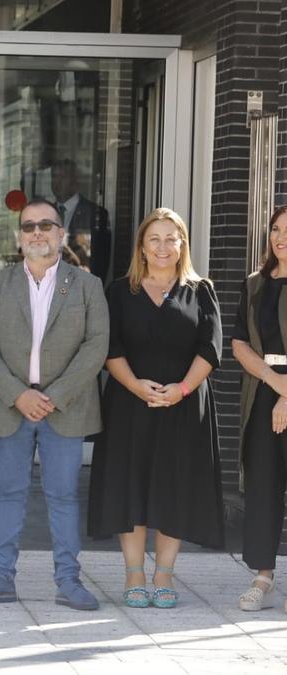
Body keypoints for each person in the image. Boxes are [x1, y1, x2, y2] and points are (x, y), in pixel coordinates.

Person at [0, 198, 108, 611]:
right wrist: (18, 394)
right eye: (28, 227)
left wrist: (54, 397)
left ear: (61, 233)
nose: (37, 233)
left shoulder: (87, 286)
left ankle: (68, 581)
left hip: (66, 406)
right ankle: (1, 577)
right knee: (10, 493)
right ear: (19, 236)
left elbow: (96, 347)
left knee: (63, 496)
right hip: (11, 405)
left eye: (46, 225)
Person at [86, 207, 223, 610]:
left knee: (174, 488)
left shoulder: (200, 290)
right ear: (142, 247)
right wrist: (135, 386)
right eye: (154, 239)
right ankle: (134, 575)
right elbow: (110, 347)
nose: (163, 247)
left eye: (171, 238)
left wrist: (180, 390)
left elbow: (210, 349)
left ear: (182, 245)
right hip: (131, 404)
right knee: (132, 485)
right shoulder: (119, 290)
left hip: (183, 406)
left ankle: (164, 576)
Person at [231, 204, 287, 613]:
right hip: (264, 389)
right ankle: (263, 576)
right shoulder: (255, 284)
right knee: (264, 486)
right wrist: (276, 385)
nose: (280, 238)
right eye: (275, 229)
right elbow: (238, 344)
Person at [51, 159, 111, 281]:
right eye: (54, 176)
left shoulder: (96, 214)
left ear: (75, 181)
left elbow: (100, 262)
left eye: (63, 177)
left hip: (80, 289)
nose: (57, 181)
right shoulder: (46, 212)